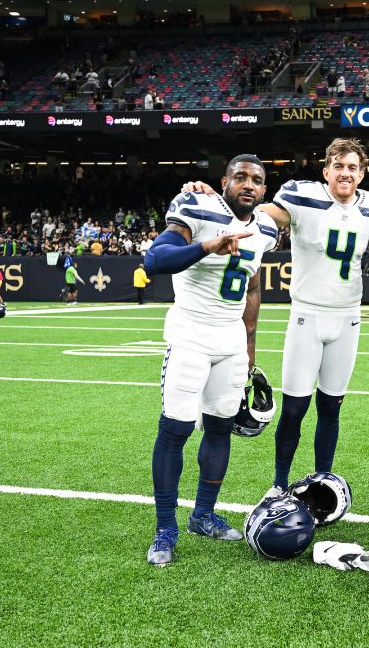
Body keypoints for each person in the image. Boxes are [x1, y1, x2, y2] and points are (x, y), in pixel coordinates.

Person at [182, 138, 369, 499]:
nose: (345, 173)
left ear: (362, 173)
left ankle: (324, 482)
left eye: (353, 167)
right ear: (326, 171)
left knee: (331, 407)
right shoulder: (301, 195)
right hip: (307, 315)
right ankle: (279, 483)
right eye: (338, 166)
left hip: (348, 319)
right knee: (294, 407)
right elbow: (256, 213)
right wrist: (209, 197)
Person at [141, 155, 279, 566]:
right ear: (223, 182)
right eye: (240, 177)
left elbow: (252, 284)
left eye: (256, 179)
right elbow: (154, 261)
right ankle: (165, 528)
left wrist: (251, 344)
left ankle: (203, 514)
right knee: (176, 429)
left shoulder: (266, 227)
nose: (248, 184)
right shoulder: (196, 207)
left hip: (231, 341)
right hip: (189, 336)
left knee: (220, 428)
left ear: (264, 190)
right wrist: (206, 245)